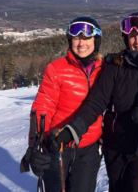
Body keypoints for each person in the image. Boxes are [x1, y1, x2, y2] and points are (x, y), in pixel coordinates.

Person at [51, 12, 138, 192]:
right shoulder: (116, 67)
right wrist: (74, 129)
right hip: (116, 145)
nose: (137, 41)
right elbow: (97, 102)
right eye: (132, 36)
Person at [27, 16, 104, 192]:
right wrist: (36, 145)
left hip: (88, 148)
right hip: (58, 145)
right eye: (76, 38)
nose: (81, 43)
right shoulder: (56, 69)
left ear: (96, 40)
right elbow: (43, 107)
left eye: (86, 38)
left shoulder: (104, 69)